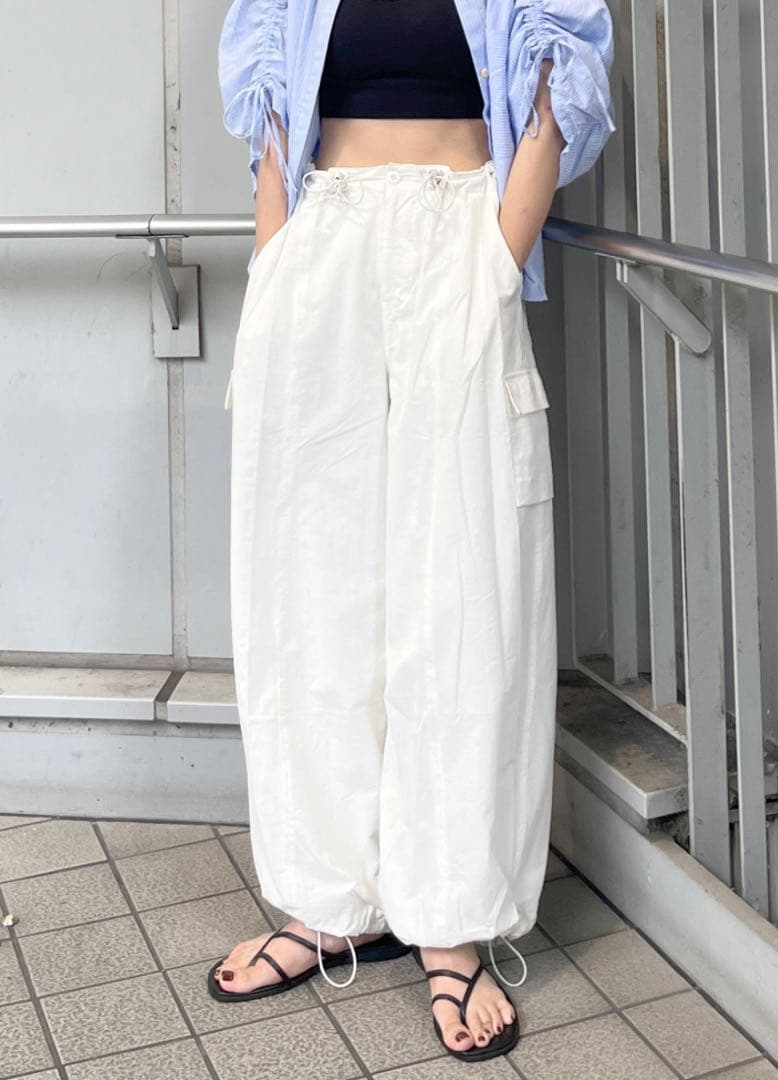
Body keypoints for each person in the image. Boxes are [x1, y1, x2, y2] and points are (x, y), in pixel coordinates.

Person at [211, 0, 614, 1062]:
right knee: (310, 580)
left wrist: (493, 264)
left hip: (460, 229)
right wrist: (275, 270)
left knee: (464, 586)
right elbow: (273, 124)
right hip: (322, 238)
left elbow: (558, 98)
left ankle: (450, 916)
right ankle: (329, 901)